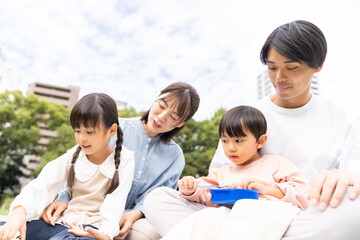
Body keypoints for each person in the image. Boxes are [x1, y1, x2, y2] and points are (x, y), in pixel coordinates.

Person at [144, 20, 360, 239]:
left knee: (356, 208)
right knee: (157, 198)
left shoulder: (341, 120)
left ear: (318, 66)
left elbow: (351, 179)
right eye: (272, 67)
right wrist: (193, 188)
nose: (279, 79)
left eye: (291, 68)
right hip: (232, 215)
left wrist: (344, 178)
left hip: (299, 218)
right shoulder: (246, 117)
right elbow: (216, 182)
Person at [39, 82, 200, 240]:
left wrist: (134, 214)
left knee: (146, 233)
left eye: (173, 116)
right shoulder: (115, 127)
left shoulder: (175, 156)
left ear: (181, 123)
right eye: (162, 106)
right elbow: (77, 163)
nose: (161, 117)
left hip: (134, 216)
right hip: (91, 209)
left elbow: (159, 196)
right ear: (156, 99)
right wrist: (63, 198)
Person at [144, 105, 309, 237]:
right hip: (218, 218)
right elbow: (203, 191)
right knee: (156, 197)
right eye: (225, 140)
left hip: (256, 217)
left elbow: (302, 194)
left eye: (238, 140)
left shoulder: (275, 163)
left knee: (252, 210)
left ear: (260, 141)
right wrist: (190, 188)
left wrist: (267, 190)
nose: (230, 148)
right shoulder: (222, 172)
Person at [0, 93, 135, 240]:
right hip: (62, 223)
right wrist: (20, 210)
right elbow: (43, 184)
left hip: (93, 229)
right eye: (77, 131)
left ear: (112, 130)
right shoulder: (74, 156)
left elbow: (116, 201)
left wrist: (105, 234)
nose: (82, 138)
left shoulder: (124, 159)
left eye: (90, 132)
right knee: (8, 230)